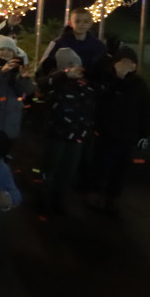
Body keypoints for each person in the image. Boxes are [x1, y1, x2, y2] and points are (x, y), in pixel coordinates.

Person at [87, 45, 150, 213]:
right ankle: (95, 194)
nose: (126, 65)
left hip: (127, 135)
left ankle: (113, 198)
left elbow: (146, 109)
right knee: (101, 164)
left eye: (131, 62)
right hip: (106, 133)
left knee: (120, 169)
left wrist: (144, 133)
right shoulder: (108, 81)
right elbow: (98, 98)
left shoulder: (139, 84)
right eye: (123, 61)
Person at [40, 48, 97, 215]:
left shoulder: (87, 84)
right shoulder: (56, 81)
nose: (75, 68)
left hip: (77, 136)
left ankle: (59, 201)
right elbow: (42, 84)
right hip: (56, 134)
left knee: (68, 171)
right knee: (50, 169)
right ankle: (44, 199)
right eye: (70, 64)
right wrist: (64, 75)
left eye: (77, 64)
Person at [37, 8, 106, 78]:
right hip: (63, 82)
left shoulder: (98, 45)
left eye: (86, 21)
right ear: (70, 23)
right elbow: (44, 66)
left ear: (90, 23)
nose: (81, 24)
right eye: (77, 21)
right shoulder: (58, 43)